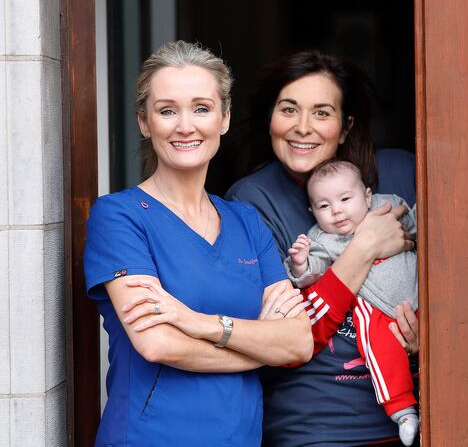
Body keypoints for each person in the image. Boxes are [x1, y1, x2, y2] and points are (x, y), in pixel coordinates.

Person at [83, 41, 313, 446]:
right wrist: (260, 346)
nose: (185, 126)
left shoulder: (246, 221)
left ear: (224, 118)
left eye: (202, 108)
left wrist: (198, 323)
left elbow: (298, 342)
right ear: (144, 122)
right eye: (167, 110)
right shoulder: (119, 217)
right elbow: (157, 343)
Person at [226, 50, 419, 446]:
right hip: (316, 426)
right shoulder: (250, 202)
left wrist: (429, 337)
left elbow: (462, 273)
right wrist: (365, 246)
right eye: (289, 109)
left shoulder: (402, 174)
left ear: (345, 127)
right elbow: (286, 340)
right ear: (270, 118)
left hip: (420, 415)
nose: (303, 127)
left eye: (321, 112)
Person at [287, 159, 419, 445]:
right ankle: (402, 410)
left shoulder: (387, 207)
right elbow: (312, 272)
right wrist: (300, 264)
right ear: (312, 212)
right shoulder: (321, 238)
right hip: (376, 307)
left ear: (368, 196)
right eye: (324, 206)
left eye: (345, 199)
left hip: (420, 290)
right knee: (379, 347)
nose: (336, 210)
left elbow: (418, 224)